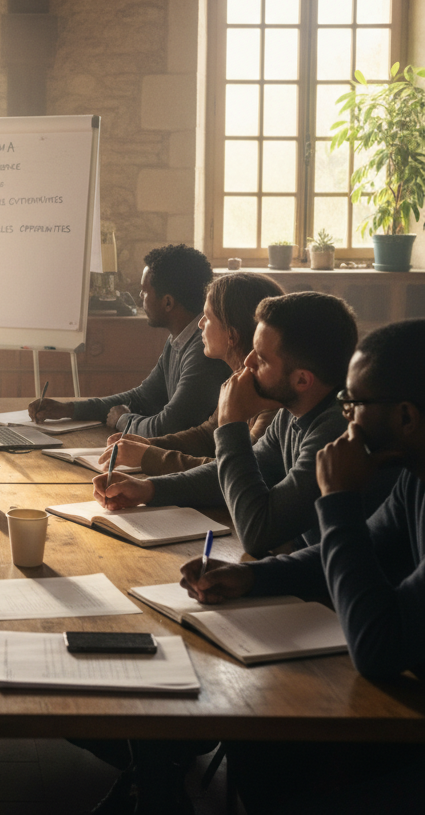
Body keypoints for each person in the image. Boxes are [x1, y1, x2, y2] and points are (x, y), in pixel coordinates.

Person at [179, 319, 425, 814]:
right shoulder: (413, 478)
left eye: (354, 404)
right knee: (260, 746)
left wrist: (338, 501)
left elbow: (377, 647)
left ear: (405, 416)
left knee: (283, 759)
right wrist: (252, 576)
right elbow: (360, 549)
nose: (347, 420)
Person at [94, 291, 398, 557]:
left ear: (302, 380)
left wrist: (231, 425)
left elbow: (257, 532)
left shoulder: (337, 431)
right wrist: (147, 489)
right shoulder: (291, 412)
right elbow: (227, 476)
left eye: (262, 359)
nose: (248, 362)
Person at [30, 244, 230, 436]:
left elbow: (168, 427)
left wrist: (124, 420)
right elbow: (143, 398)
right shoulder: (178, 340)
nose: (140, 297)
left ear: (167, 302)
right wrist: (69, 409)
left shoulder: (204, 350)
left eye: (144, 291)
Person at [97, 272, 284, 475]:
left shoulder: (272, 395)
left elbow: (240, 471)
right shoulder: (237, 379)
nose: (200, 323)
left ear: (232, 334)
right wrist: (148, 444)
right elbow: (206, 435)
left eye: (208, 317)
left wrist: (148, 456)